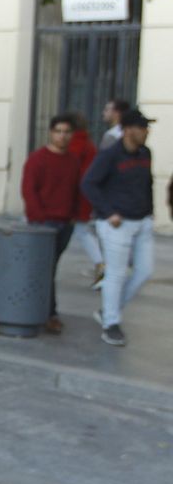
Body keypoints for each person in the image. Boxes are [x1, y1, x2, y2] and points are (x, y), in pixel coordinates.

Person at [81, 108, 155, 347]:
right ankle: (111, 324)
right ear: (128, 130)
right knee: (116, 273)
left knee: (144, 271)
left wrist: (150, 212)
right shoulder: (109, 155)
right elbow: (89, 184)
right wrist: (108, 212)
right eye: (142, 128)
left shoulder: (145, 153)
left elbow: (147, 184)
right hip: (116, 224)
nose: (146, 132)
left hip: (142, 221)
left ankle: (108, 310)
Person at [20, 115, 83, 333]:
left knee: (51, 268)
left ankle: (45, 311)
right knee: (45, 269)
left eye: (67, 132)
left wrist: (74, 215)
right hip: (43, 223)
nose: (62, 136)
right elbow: (29, 190)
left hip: (65, 222)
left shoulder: (74, 161)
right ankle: (48, 313)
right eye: (58, 131)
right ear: (50, 132)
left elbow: (77, 190)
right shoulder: (38, 159)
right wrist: (38, 217)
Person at [64, 112, 105, 288]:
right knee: (83, 231)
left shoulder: (74, 145)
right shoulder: (89, 145)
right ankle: (101, 263)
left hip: (76, 196)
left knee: (82, 231)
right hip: (84, 195)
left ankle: (101, 263)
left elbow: (70, 173)